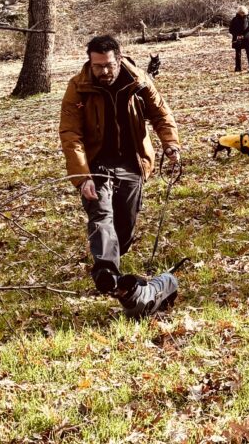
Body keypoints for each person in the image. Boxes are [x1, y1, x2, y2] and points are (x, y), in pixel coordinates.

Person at [59, 35, 181, 311]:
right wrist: (82, 176)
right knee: (101, 213)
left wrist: (170, 144)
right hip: (96, 163)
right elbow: (70, 133)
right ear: (90, 62)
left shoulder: (138, 82)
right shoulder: (78, 87)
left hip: (132, 162)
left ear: (119, 58)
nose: (103, 71)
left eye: (108, 65)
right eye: (97, 66)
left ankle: (114, 258)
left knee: (124, 225)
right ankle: (106, 273)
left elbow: (161, 114)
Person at [229, 5, 249, 73]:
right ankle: (238, 68)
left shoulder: (248, 19)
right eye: (241, 12)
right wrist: (237, 35)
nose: (242, 14)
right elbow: (231, 29)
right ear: (238, 12)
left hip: (246, 38)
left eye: (243, 12)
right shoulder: (234, 19)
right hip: (237, 39)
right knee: (238, 54)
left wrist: (244, 36)